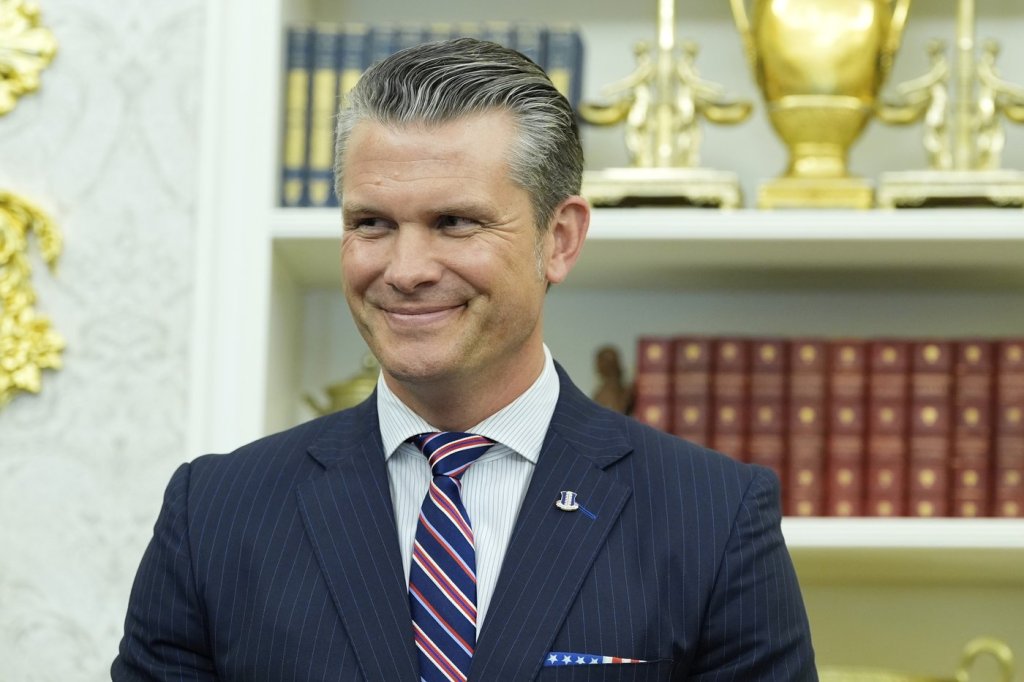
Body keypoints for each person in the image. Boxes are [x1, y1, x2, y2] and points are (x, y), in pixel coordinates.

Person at [113, 38, 816, 681]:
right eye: (371, 224)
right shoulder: (213, 514)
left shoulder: (714, 518)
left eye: (455, 223)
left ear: (559, 239)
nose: (406, 270)